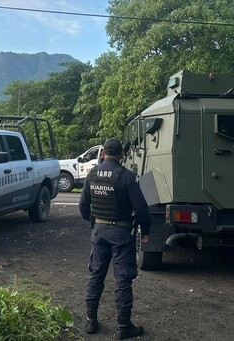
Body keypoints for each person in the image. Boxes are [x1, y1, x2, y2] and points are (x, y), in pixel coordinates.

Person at [79, 137, 152, 340]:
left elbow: (83, 207)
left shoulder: (92, 174)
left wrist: (96, 223)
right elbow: (141, 209)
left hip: (99, 232)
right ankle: (123, 326)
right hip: (121, 234)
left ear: (103, 153)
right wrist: (145, 230)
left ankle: (90, 322)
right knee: (123, 279)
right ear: (121, 155)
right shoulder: (127, 176)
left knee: (95, 276)